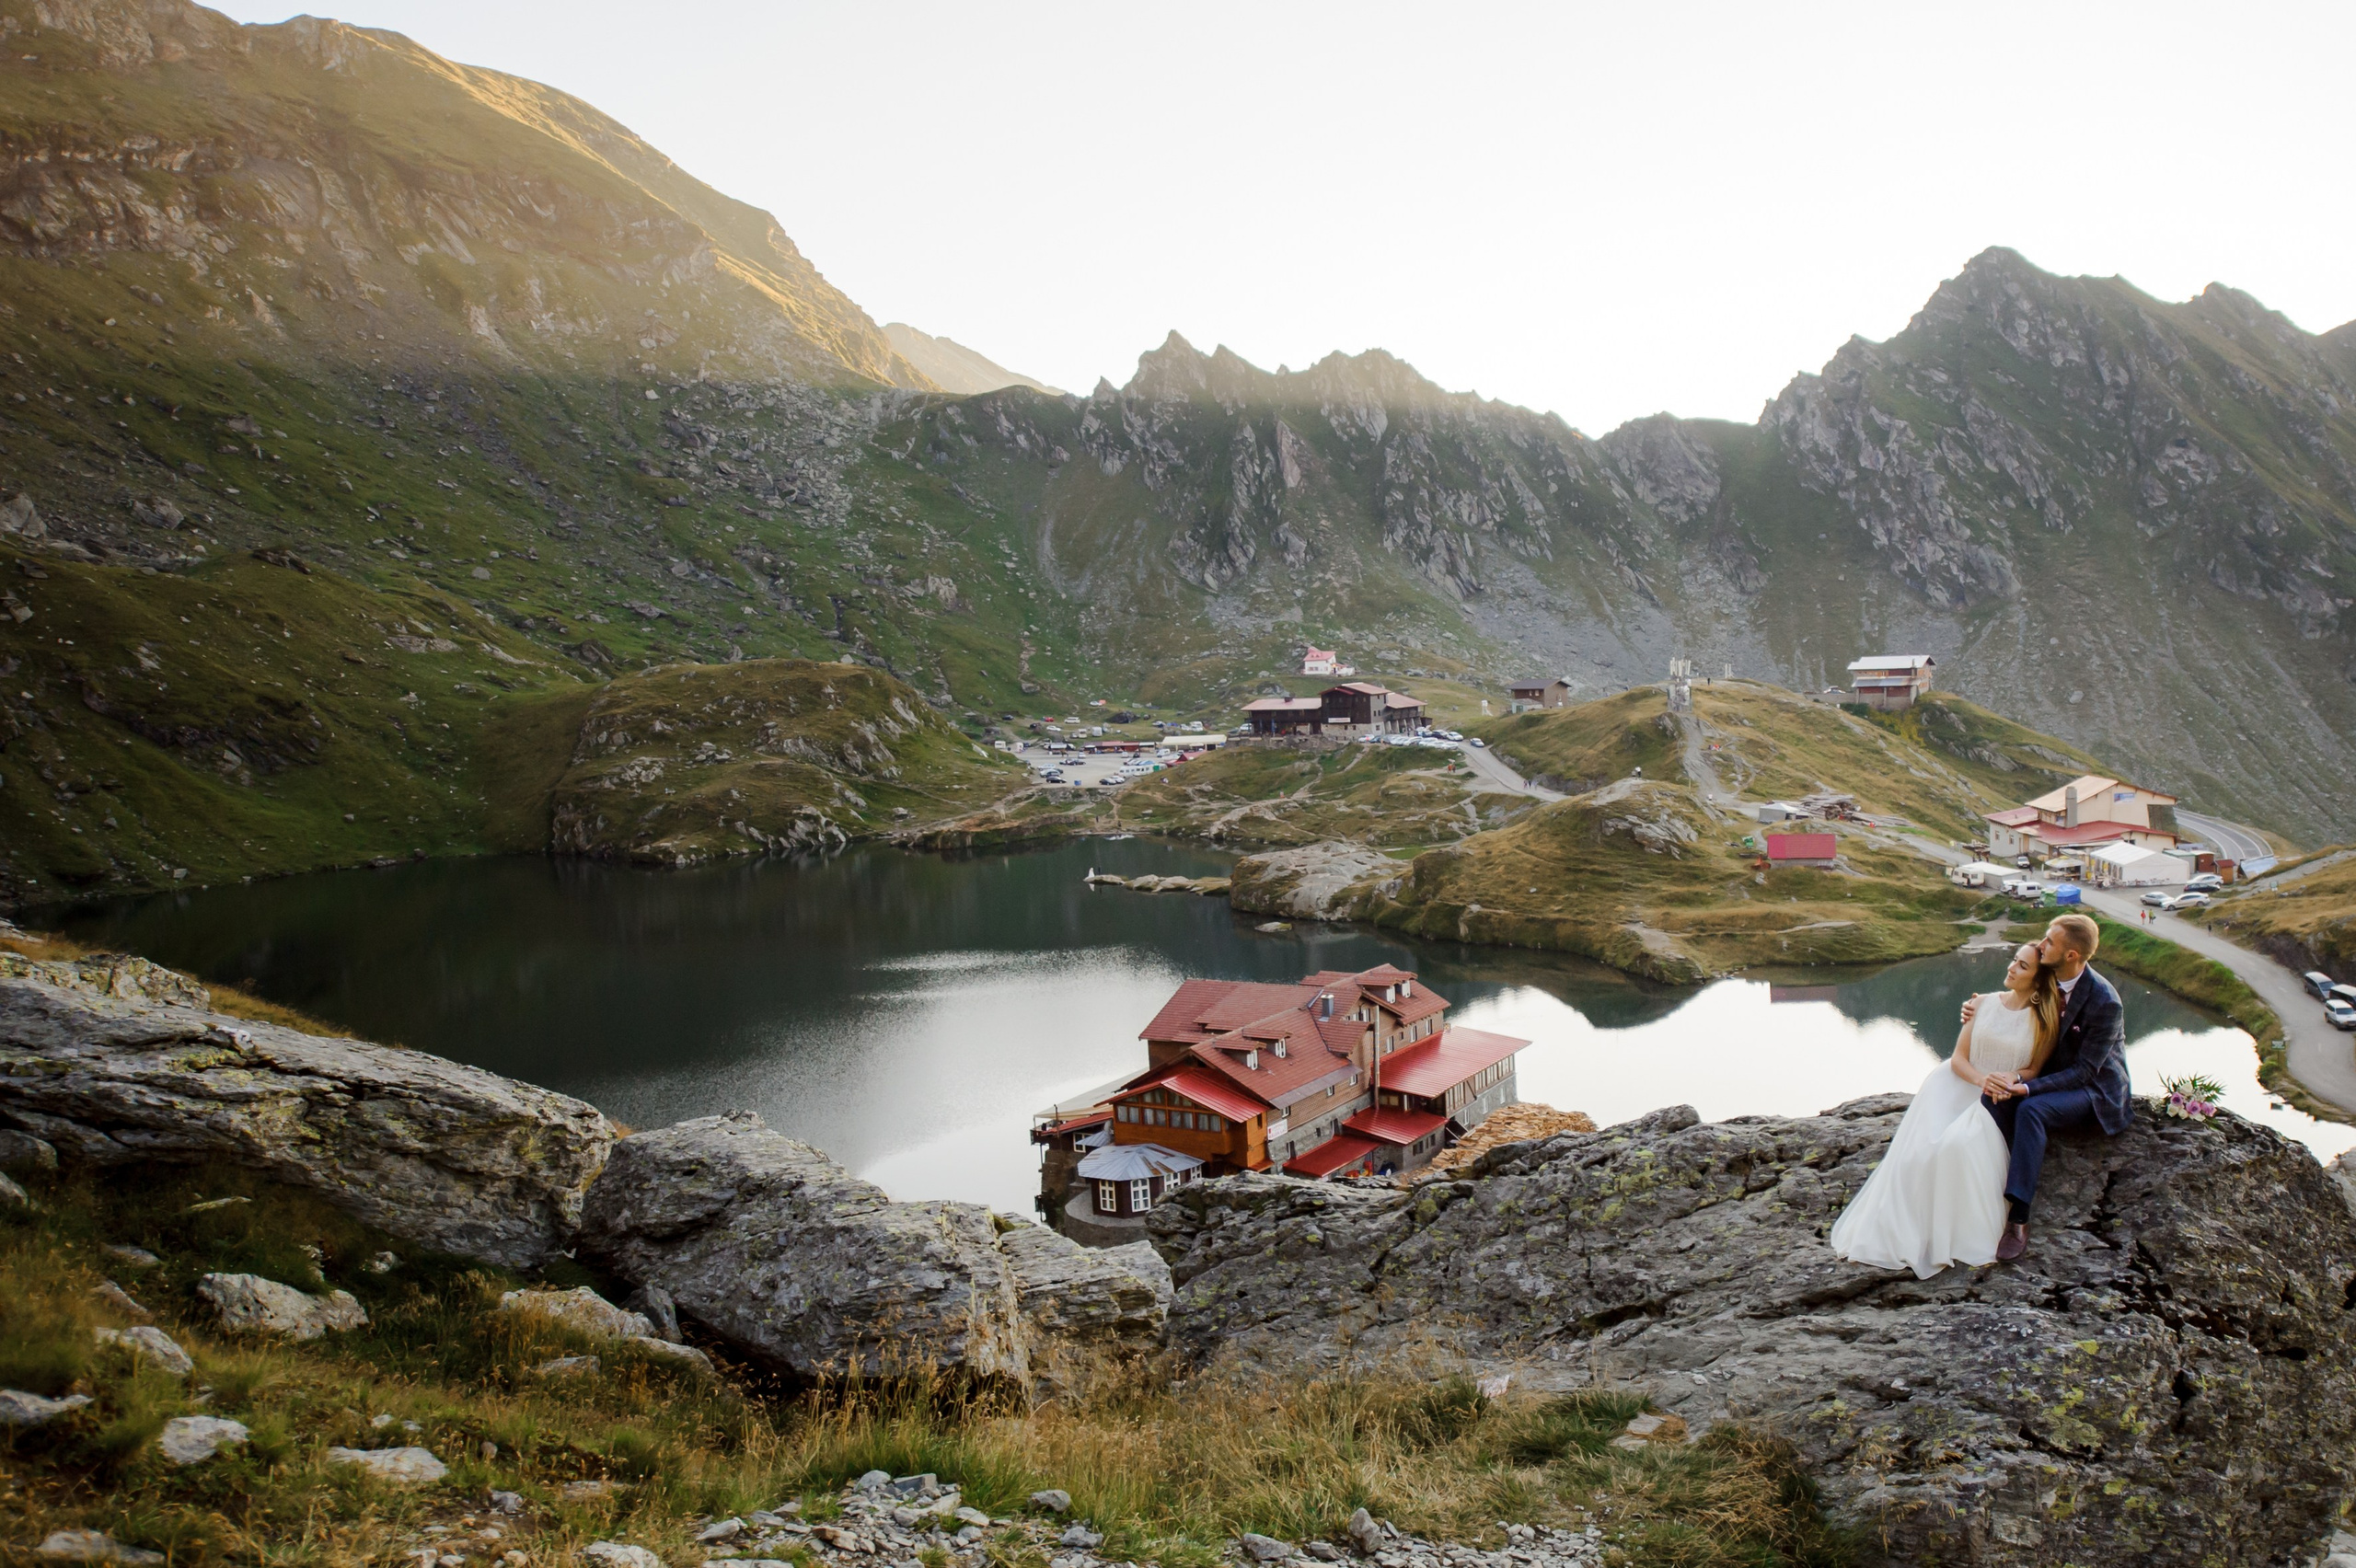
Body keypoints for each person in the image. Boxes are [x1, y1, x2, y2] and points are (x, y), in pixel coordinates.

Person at [1830, 941, 2061, 1277]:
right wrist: (1983, 1081)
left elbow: (2034, 1069)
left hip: (1996, 1096)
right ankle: (1908, 1231)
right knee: (1922, 1153)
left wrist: (2010, 1078)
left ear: (2039, 981)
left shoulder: (2043, 1021)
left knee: (1958, 1147)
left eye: (2023, 966)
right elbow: (1958, 1060)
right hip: (1955, 1085)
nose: (2011, 967)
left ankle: (1952, 1234)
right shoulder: (1981, 1003)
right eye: (2014, 960)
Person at [1963, 912, 2133, 1261]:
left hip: (2094, 1091)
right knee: (1993, 1098)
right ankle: (1994, 1174)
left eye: (2050, 942)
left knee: (2031, 1109)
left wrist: (2026, 1088)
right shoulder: (2048, 979)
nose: (2041, 946)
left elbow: (2085, 1072)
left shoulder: (2105, 1001)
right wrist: (1977, 1007)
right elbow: (2014, 993)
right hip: (2048, 1077)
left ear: (2071, 955)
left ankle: (2019, 1217)